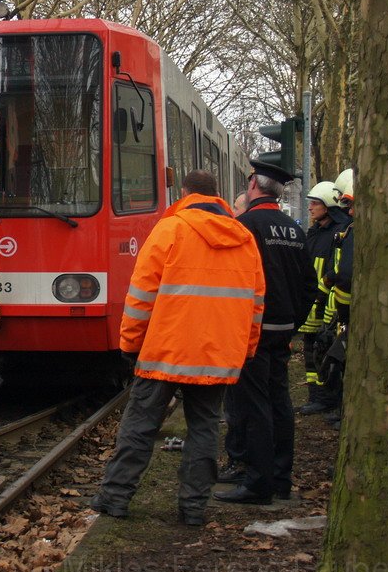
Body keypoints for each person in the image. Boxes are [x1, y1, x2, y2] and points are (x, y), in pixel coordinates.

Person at [91, 170, 265, 526]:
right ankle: (193, 509)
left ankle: (114, 500)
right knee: (204, 429)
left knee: (140, 425)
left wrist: (130, 342)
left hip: (165, 351)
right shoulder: (244, 239)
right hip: (217, 356)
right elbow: (256, 304)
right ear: (217, 196)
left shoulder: (170, 230)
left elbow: (140, 295)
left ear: (184, 193)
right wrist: (245, 350)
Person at [215, 161, 316, 505]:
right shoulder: (294, 228)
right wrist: (293, 323)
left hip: (251, 330)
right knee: (280, 401)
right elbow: (308, 286)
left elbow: (229, 282)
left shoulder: (243, 226)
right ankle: (280, 478)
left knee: (254, 405)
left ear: (253, 185)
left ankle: (257, 484)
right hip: (283, 327)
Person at [297, 180, 350, 414]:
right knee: (310, 348)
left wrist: (323, 290)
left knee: (326, 348)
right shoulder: (314, 232)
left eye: (315, 203)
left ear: (328, 206)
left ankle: (328, 398)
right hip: (312, 300)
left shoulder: (340, 233)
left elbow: (335, 269)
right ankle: (315, 395)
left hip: (328, 302)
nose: (310, 208)